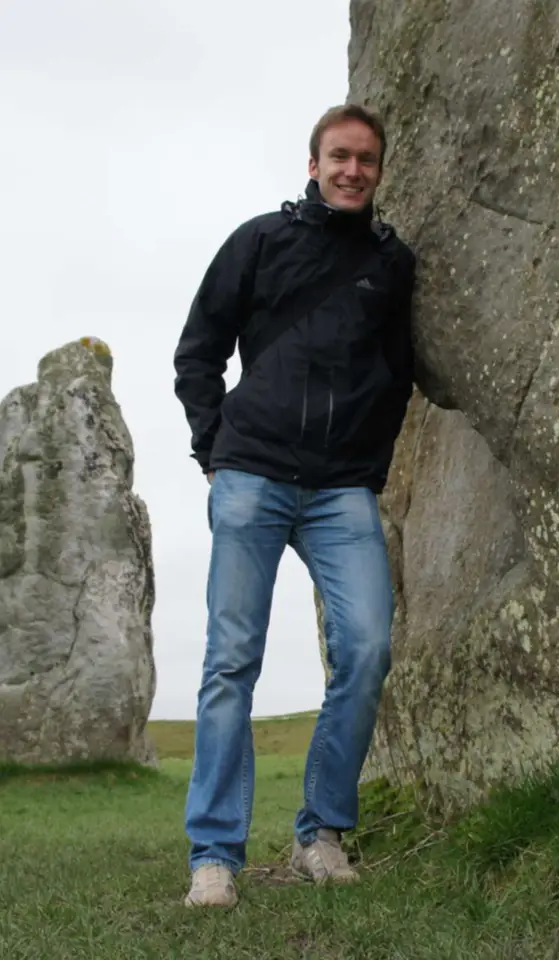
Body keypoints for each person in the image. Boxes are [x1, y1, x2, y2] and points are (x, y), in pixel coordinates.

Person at [172, 103, 415, 909]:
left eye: (366, 161)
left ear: (379, 172)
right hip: (252, 476)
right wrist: (216, 452)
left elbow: (397, 373)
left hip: (342, 490)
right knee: (230, 662)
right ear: (313, 164)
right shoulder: (259, 241)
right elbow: (199, 349)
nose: (353, 171)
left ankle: (321, 833)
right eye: (339, 157)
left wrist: (368, 466)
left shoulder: (392, 264)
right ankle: (214, 855)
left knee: (369, 646)